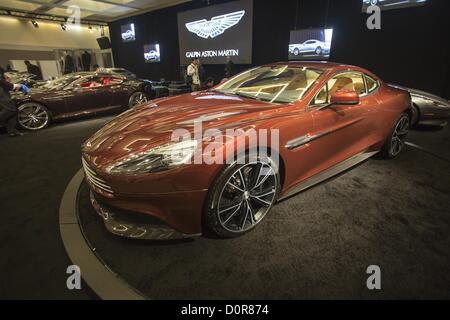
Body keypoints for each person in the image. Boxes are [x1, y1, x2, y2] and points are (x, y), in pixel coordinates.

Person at [0, 67, 29, 137]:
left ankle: (12, 131)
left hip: (4, 91)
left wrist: (6, 79)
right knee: (10, 110)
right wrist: (14, 86)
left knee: (12, 111)